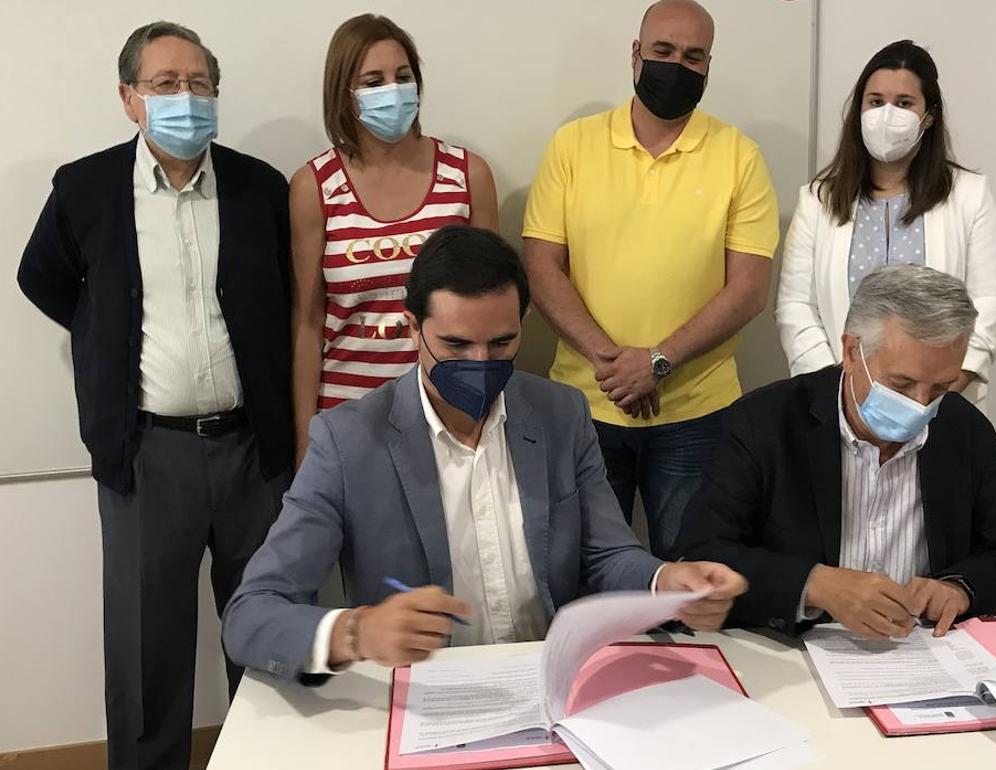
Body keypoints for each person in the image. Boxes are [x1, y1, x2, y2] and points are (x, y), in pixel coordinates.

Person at [223, 226, 746, 681]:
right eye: (455, 345)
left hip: (549, 683)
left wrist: (665, 582)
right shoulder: (349, 441)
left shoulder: (561, 413)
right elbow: (250, 615)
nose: (480, 362)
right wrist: (356, 632)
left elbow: (606, 554)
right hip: (425, 697)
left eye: (500, 344)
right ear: (413, 328)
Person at [16, 22, 292, 770]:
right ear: (129, 98)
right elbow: (40, 278)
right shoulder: (85, 189)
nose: (186, 97)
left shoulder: (261, 188)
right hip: (146, 454)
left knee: (267, 634)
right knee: (147, 649)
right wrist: (103, 330)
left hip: (254, 453)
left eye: (200, 83)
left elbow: (290, 297)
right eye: (165, 84)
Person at [522, 0, 779, 559]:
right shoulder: (573, 145)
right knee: (585, 573)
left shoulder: (740, 157)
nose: (676, 66)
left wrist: (658, 362)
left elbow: (748, 290)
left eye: (693, 57)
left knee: (689, 578)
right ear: (636, 54)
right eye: (663, 51)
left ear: (708, 66)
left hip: (698, 412)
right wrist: (616, 365)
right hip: (584, 406)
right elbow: (541, 267)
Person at [675, 266, 996, 639]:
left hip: (921, 649)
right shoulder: (765, 423)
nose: (921, 404)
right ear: (851, 352)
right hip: (794, 648)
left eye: (941, 388)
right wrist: (815, 585)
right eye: (902, 384)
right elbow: (700, 555)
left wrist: (960, 589)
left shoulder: (964, 430)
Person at [291, 13, 499, 465]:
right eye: (374, 81)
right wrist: (306, 441)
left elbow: (494, 311)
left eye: (403, 77)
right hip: (348, 418)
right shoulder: (315, 187)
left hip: (452, 412)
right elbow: (308, 323)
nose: (393, 90)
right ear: (344, 93)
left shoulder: (467, 176)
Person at [775, 40, 996, 404]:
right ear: (859, 110)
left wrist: (942, 389)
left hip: (936, 401)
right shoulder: (818, 199)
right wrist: (837, 390)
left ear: (929, 116)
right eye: (875, 102)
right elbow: (795, 307)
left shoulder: (969, 196)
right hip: (839, 399)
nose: (886, 115)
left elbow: (991, 302)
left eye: (903, 103)